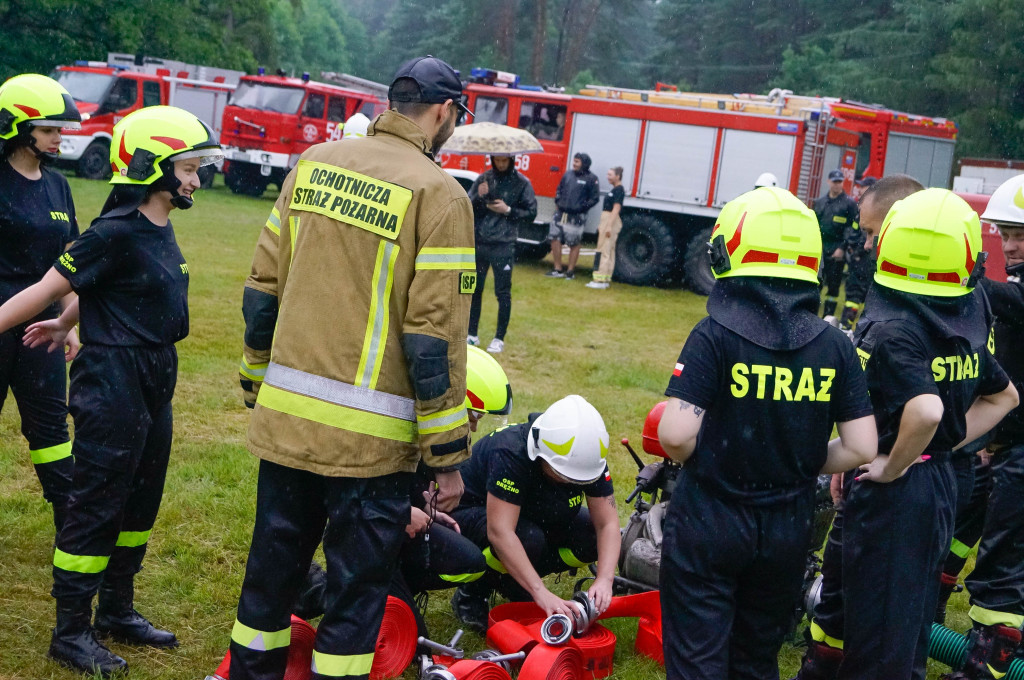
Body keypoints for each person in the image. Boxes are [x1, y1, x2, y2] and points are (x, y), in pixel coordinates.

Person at [229, 56, 476, 680]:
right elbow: (433, 336)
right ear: (445, 112)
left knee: (269, 583)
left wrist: (257, 380)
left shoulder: (312, 165)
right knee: (354, 593)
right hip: (371, 449)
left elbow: (262, 290)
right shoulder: (440, 194)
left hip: (285, 427)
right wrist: (445, 455)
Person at [0, 105, 222, 676]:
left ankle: (117, 609)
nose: (197, 179)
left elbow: (100, 290)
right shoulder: (113, 230)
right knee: (96, 501)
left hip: (156, 375)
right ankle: (70, 630)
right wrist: (49, 316)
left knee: (141, 499)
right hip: (113, 380)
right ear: (152, 167)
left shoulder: (158, 223)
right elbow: (45, 287)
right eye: (189, 168)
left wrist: (67, 321)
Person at [794, 189, 1019, 680]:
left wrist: (895, 460)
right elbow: (1004, 397)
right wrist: (937, 448)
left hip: (897, 491)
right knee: (898, 617)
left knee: (883, 644)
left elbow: (926, 408)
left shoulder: (897, 325)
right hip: (936, 480)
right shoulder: (968, 309)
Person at [656, 186, 877, 680]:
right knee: (756, 658)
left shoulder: (713, 335)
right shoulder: (834, 345)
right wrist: (799, 457)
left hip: (710, 518)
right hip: (787, 526)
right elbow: (864, 445)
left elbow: (674, 436)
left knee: (697, 657)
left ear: (725, 251)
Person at [936, 174, 1024, 680]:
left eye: (1021, 235)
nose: (1010, 245)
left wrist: (955, 280)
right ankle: (924, 614)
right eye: (1005, 233)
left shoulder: (1008, 294)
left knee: (1001, 573)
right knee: (952, 532)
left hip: (1021, 454)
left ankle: (987, 666)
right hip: (1001, 444)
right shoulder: (1011, 285)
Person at [448, 394, 620, 633]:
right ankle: (474, 591)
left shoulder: (587, 457)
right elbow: (500, 532)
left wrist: (605, 579)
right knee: (529, 538)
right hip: (473, 514)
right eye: (564, 476)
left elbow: (608, 524)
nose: (570, 483)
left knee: (589, 535)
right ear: (541, 454)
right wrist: (540, 592)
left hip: (531, 512)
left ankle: (516, 584)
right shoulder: (510, 451)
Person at [0, 73, 82, 536]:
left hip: (40, 328)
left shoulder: (59, 187)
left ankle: (71, 527)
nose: (59, 137)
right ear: (17, 127)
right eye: (49, 128)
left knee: (51, 429)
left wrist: (67, 321)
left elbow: (67, 261)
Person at [466, 154, 537, 353]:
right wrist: (478, 197)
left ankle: (499, 338)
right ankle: (471, 334)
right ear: (492, 159)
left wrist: (508, 210)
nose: (501, 164)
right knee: (474, 289)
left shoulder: (522, 183)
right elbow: (467, 207)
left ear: (512, 159)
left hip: (504, 244)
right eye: (498, 160)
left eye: (505, 160)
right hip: (480, 241)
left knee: (502, 292)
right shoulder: (484, 178)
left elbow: (532, 213)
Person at [813, 169, 859, 322]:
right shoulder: (819, 203)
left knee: (833, 288)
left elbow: (853, 228)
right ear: (828, 182)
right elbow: (814, 226)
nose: (837, 185)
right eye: (835, 181)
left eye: (840, 182)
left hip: (837, 251)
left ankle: (827, 318)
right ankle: (811, 314)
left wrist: (842, 248)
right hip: (820, 250)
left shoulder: (849, 204)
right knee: (815, 284)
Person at [546, 153, 599, 280]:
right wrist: (558, 201)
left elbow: (595, 198)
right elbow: (559, 189)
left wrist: (582, 207)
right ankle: (557, 269)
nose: (574, 164)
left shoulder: (591, 178)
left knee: (574, 243)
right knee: (554, 238)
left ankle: (570, 271)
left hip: (577, 216)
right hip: (561, 213)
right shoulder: (567, 174)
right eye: (574, 161)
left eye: (577, 162)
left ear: (584, 164)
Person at [838, 176, 877, 331]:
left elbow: (867, 235)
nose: (859, 189)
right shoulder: (862, 209)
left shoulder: (873, 210)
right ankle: (849, 326)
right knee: (855, 294)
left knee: (856, 293)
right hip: (858, 258)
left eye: (863, 187)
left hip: (864, 259)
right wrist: (850, 247)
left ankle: (849, 326)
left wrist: (857, 252)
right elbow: (855, 231)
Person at [586, 166, 625, 290]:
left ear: (617, 176)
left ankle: (599, 279)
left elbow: (616, 208)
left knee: (603, 249)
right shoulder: (615, 189)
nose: (608, 177)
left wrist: (608, 226)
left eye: (610, 175)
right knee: (609, 249)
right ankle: (606, 278)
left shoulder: (619, 190)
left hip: (610, 219)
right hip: (607, 219)